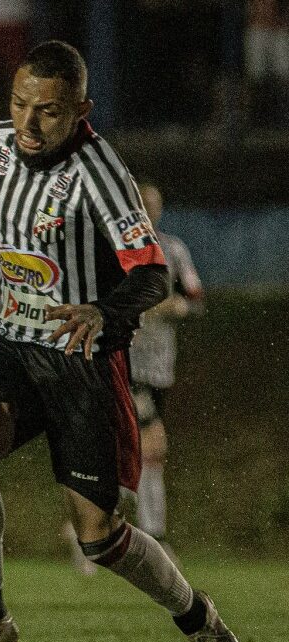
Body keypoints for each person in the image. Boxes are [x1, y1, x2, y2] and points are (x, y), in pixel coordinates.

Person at [0, 41, 246, 642]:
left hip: (81, 358)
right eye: (19, 104)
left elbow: (152, 274)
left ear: (80, 110)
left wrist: (105, 312)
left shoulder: (101, 172)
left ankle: (199, 619)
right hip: (6, 333)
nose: (28, 122)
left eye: (47, 111)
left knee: (99, 539)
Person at [128, 182, 204, 557]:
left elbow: (195, 299)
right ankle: (154, 537)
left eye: (154, 204)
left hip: (161, 367)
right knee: (153, 444)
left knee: (136, 453)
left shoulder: (173, 250)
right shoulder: (118, 250)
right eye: (142, 203)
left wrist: (180, 308)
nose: (148, 210)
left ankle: (85, 526)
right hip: (126, 364)